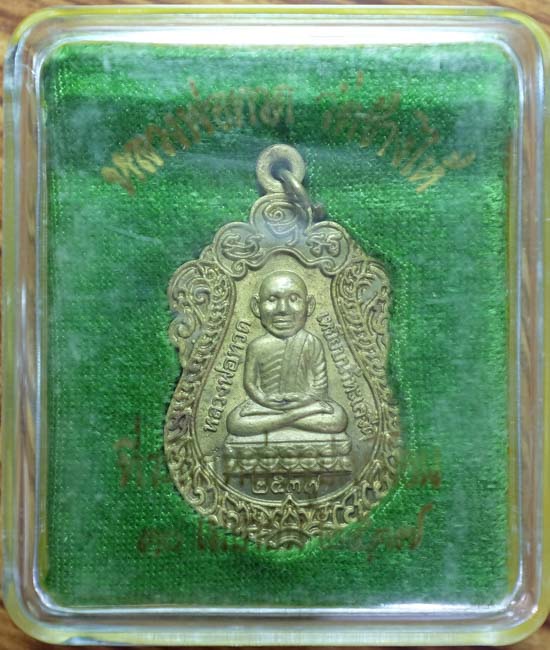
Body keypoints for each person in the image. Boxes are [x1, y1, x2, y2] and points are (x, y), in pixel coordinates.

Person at [226, 271, 348, 437]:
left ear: (309, 305)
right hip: (266, 406)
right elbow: (250, 384)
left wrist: (305, 399)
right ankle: (291, 418)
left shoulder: (311, 342)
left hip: (305, 404)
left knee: (338, 418)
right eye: (272, 299)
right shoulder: (256, 346)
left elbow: (320, 385)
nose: (282, 309)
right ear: (256, 307)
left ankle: (280, 421)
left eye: (293, 299)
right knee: (234, 422)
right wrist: (264, 399)